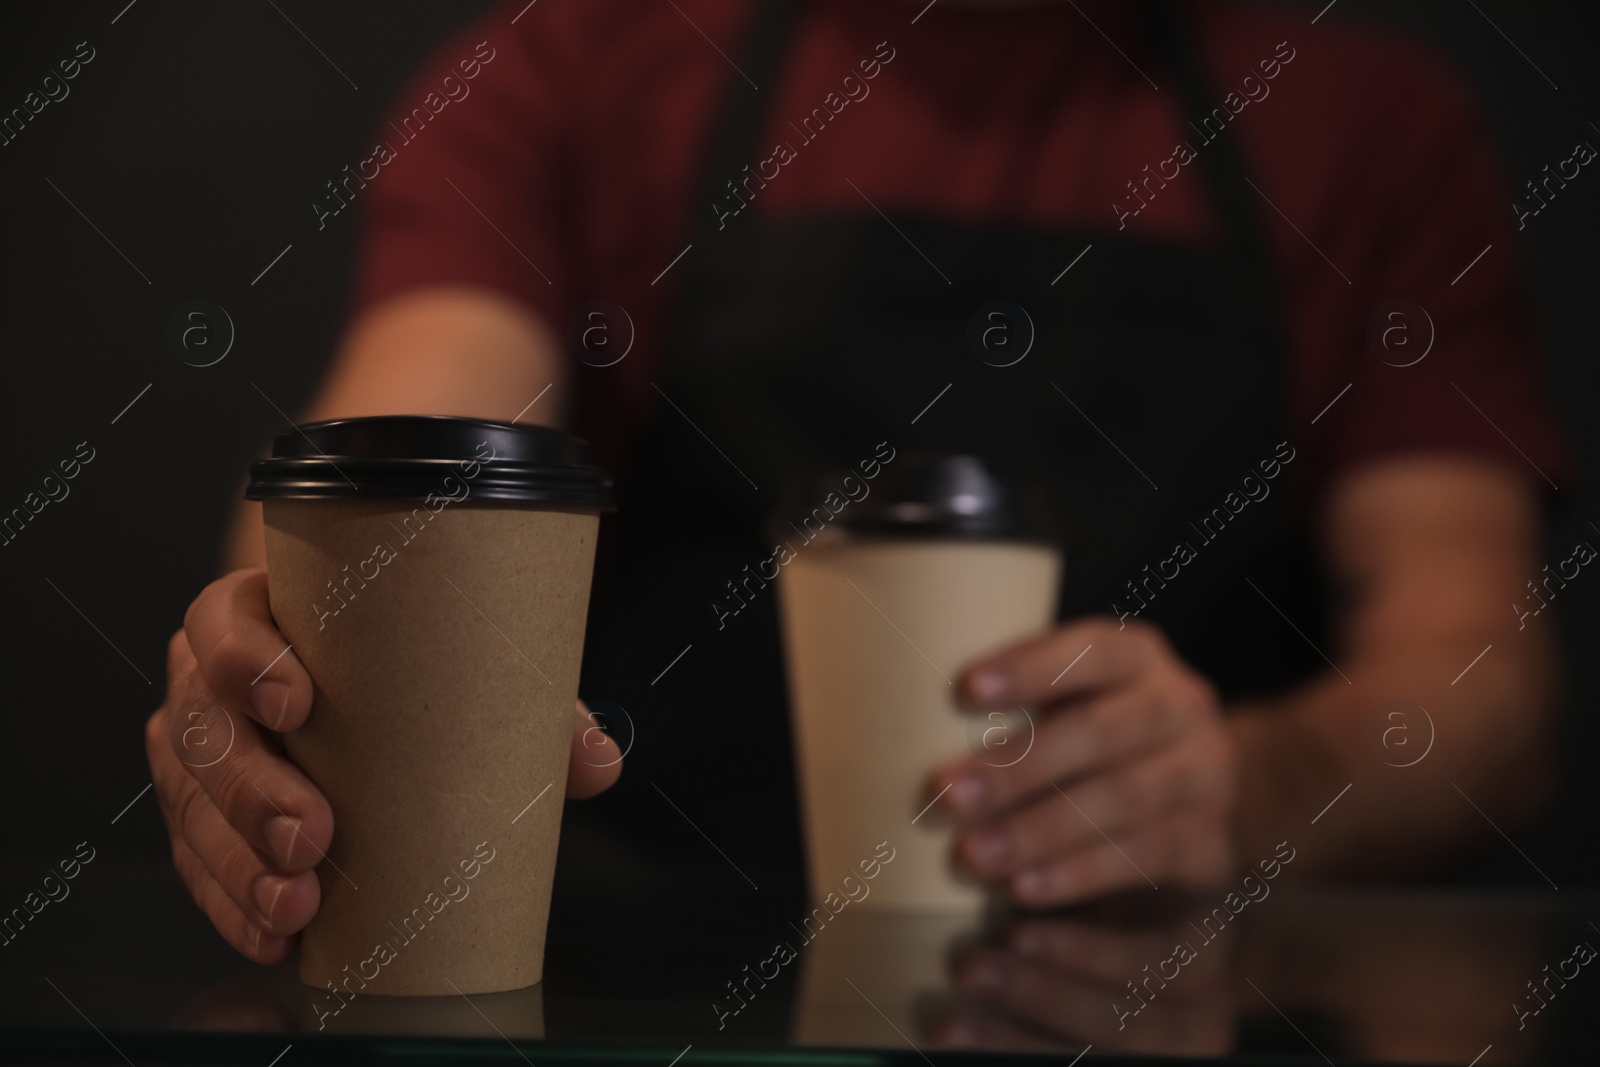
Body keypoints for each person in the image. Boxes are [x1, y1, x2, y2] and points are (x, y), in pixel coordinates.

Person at [146, 0, 1568, 964]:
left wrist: (1258, 789)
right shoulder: (576, 66)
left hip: (1172, 997)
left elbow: (1482, 677)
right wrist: (295, 661)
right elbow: (417, 429)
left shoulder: (1361, 116)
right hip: (634, 981)